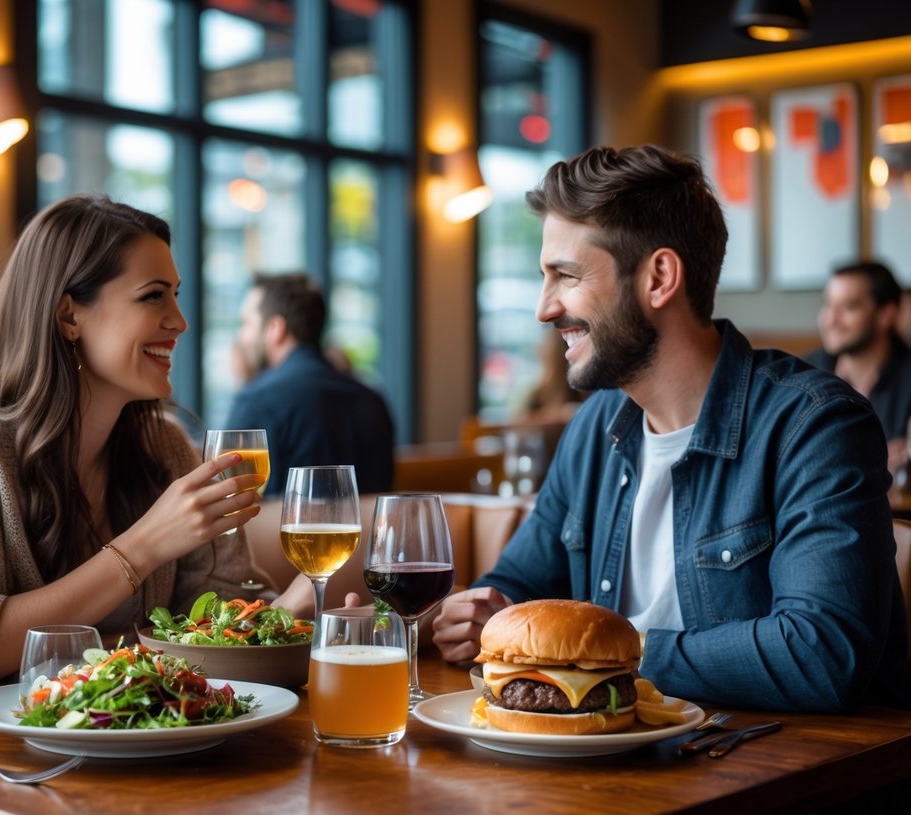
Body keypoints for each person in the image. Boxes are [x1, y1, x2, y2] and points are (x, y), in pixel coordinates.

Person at [433, 145, 910, 720]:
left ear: (659, 278)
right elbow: (515, 585)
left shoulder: (814, 424)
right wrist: (472, 617)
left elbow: (822, 655)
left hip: (780, 784)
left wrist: (611, 654)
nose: (544, 308)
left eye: (566, 275)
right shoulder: (594, 429)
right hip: (606, 771)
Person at [0, 195, 314, 692]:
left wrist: (285, 611)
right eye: (154, 296)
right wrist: (142, 547)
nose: (180, 321)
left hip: (147, 748)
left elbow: (213, 616)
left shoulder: (167, 449)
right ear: (69, 315)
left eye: (176, 295)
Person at [225, 273, 395, 496]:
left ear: (276, 328)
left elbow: (230, 501)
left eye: (246, 324)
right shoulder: (373, 400)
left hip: (282, 533)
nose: (242, 337)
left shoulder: (256, 401)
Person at [804, 260, 911, 474]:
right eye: (827, 304)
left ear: (886, 315)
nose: (830, 319)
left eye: (848, 307)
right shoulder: (804, 373)